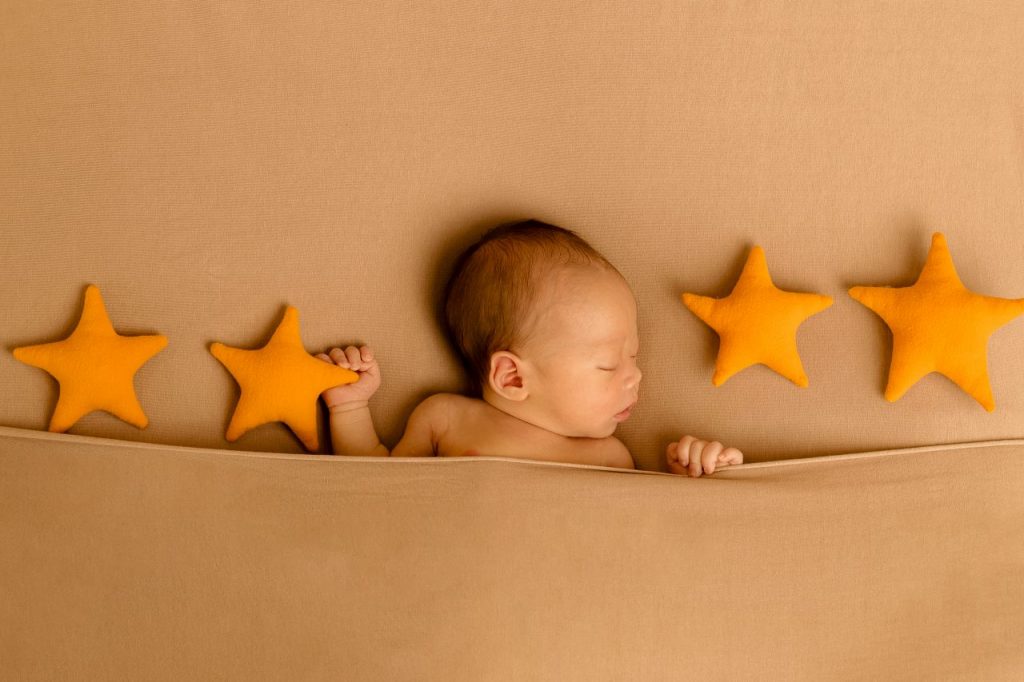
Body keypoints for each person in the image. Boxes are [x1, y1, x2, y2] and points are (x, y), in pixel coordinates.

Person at [316, 219, 744, 477]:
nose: (636, 375)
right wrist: (350, 409)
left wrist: (691, 471)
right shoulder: (444, 418)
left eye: (632, 356)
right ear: (513, 377)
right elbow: (376, 485)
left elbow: (641, 532)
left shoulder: (610, 458)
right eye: (608, 364)